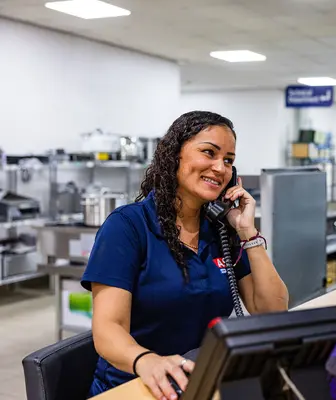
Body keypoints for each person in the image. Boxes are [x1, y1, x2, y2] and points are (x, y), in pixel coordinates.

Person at [80, 111, 289, 400]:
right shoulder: (128, 226)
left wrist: (247, 233)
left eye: (228, 160)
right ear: (174, 155)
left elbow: (273, 311)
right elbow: (107, 329)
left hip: (198, 382)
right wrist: (147, 361)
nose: (220, 168)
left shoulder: (220, 230)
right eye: (209, 152)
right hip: (134, 386)